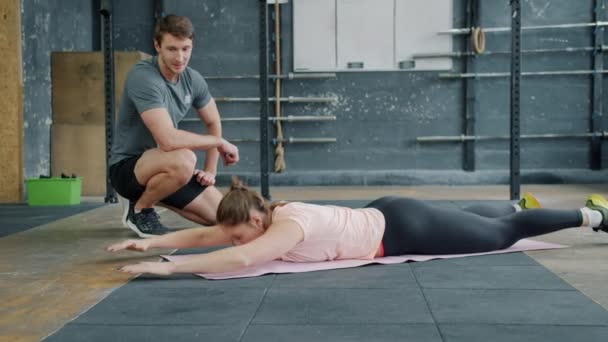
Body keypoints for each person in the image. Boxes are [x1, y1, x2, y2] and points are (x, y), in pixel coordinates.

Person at [107, 179, 608, 276]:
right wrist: (156, 240)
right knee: (477, 222)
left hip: (404, 227)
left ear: (256, 219)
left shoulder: (288, 226)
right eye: (236, 233)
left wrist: (167, 270)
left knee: (503, 235)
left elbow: (239, 257)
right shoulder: (261, 216)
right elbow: (211, 236)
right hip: (387, 211)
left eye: (242, 231)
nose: (237, 238)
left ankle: (595, 215)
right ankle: (507, 202)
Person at [109, 14, 239, 238]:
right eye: (172, 49)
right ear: (157, 45)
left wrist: (210, 170)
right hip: (128, 169)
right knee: (184, 158)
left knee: (226, 219)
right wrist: (218, 143)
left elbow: (212, 120)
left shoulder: (192, 79)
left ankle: (148, 197)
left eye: (185, 49)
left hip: (167, 169)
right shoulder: (143, 77)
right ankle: (141, 209)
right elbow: (168, 140)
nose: (180, 57)